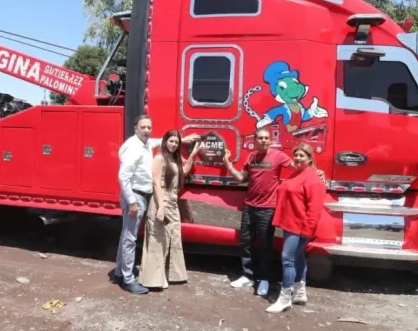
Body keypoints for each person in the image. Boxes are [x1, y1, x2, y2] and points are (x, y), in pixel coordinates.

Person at [224, 129, 326, 297]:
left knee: (265, 245)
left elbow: (300, 165)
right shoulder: (252, 157)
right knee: (245, 242)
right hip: (249, 206)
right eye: (260, 138)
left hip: (267, 208)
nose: (263, 141)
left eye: (266, 138)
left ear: (270, 141)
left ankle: (264, 278)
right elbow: (241, 178)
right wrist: (227, 163)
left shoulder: (278, 156)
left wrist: (317, 172)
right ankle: (248, 275)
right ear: (255, 140)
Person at [114, 115, 199, 294]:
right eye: (143, 127)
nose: (146, 130)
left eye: (149, 127)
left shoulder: (145, 143)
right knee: (130, 238)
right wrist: (131, 202)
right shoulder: (133, 147)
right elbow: (123, 177)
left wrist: (182, 141)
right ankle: (128, 280)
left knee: (126, 235)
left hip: (142, 196)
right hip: (135, 196)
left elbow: (160, 141)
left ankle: (119, 273)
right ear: (135, 128)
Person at [266, 143, 325, 313]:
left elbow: (315, 209)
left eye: (302, 156)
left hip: (298, 227)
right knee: (298, 258)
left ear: (310, 158)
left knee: (287, 258)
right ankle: (300, 292)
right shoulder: (297, 173)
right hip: (290, 223)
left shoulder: (312, 179)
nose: (298, 158)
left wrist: (307, 231)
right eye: (296, 155)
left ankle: (285, 298)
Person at [139, 130, 200, 290]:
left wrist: (193, 153)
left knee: (174, 237)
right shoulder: (159, 158)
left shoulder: (174, 158)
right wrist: (160, 207)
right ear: (165, 141)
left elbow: (184, 171)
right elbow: (156, 183)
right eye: (171, 141)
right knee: (158, 240)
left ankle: (169, 274)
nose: (173, 144)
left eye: (176, 142)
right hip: (162, 201)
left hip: (173, 202)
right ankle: (153, 279)